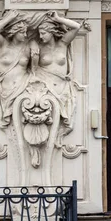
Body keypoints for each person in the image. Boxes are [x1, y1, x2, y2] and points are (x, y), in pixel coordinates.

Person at [0, 9, 36, 128]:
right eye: (22, 32)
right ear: (14, 32)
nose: (25, 35)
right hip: (6, 90)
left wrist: (35, 50)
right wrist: (9, 18)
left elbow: (34, 68)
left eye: (26, 32)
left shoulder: (28, 47)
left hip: (24, 88)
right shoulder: (4, 44)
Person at [36, 10, 82, 140]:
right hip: (45, 89)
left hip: (62, 88)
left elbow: (76, 27)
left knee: (63, 125)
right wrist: (32, 44)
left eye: (43, 33)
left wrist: (58, 19)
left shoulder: (63, 44)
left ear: (51, 32)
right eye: (39, 33)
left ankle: (54, 141)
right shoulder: (39, 48)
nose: (41, 36)